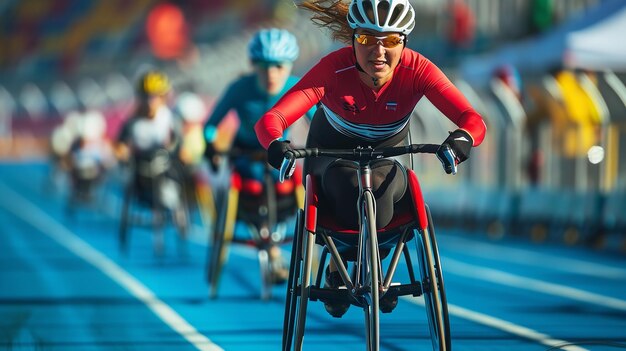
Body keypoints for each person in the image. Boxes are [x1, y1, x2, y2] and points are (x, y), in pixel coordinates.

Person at [254, 0, 486, 317]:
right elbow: (272, 119)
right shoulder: (333, 68)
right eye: (366, 39)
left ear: (404, 41)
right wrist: (277, 144)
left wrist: (462, 138)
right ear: (352, 39)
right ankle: (337, 267)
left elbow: (472, 119)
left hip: (387, 158)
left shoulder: (417, 69)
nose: (378, 52)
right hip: (331, 155)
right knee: (346, 181)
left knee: (391, 182)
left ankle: (378, 267)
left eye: (390, 41)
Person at [203, 28, 315, 284]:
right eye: (264, 66)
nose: (271, 73)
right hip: (244, 156)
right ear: (253, 65)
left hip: (279, 158)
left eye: (278, 66)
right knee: (250, 188)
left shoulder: (296, 87)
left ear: (289, 65)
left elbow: (318, 123)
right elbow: (210, 125)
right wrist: (209, 146)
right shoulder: (239, 88)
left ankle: (279, 248)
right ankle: (268, 244)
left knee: (297, 184)